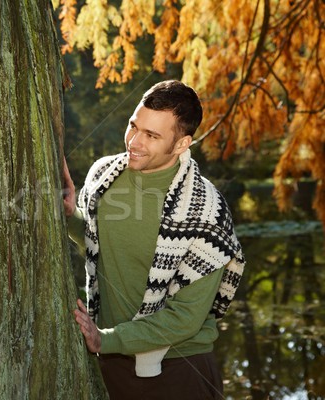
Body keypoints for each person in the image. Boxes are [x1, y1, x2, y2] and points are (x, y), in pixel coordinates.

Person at [63, 80, 245, 399]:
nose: (134, 141)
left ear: (181, 144)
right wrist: (68, 215)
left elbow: (185, 318)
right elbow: (96, 241)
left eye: (151, 135)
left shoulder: (205, 212)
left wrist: (106, 339)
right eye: (134, 126)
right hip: (109, 362)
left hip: (179, 371)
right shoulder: (104, 175)